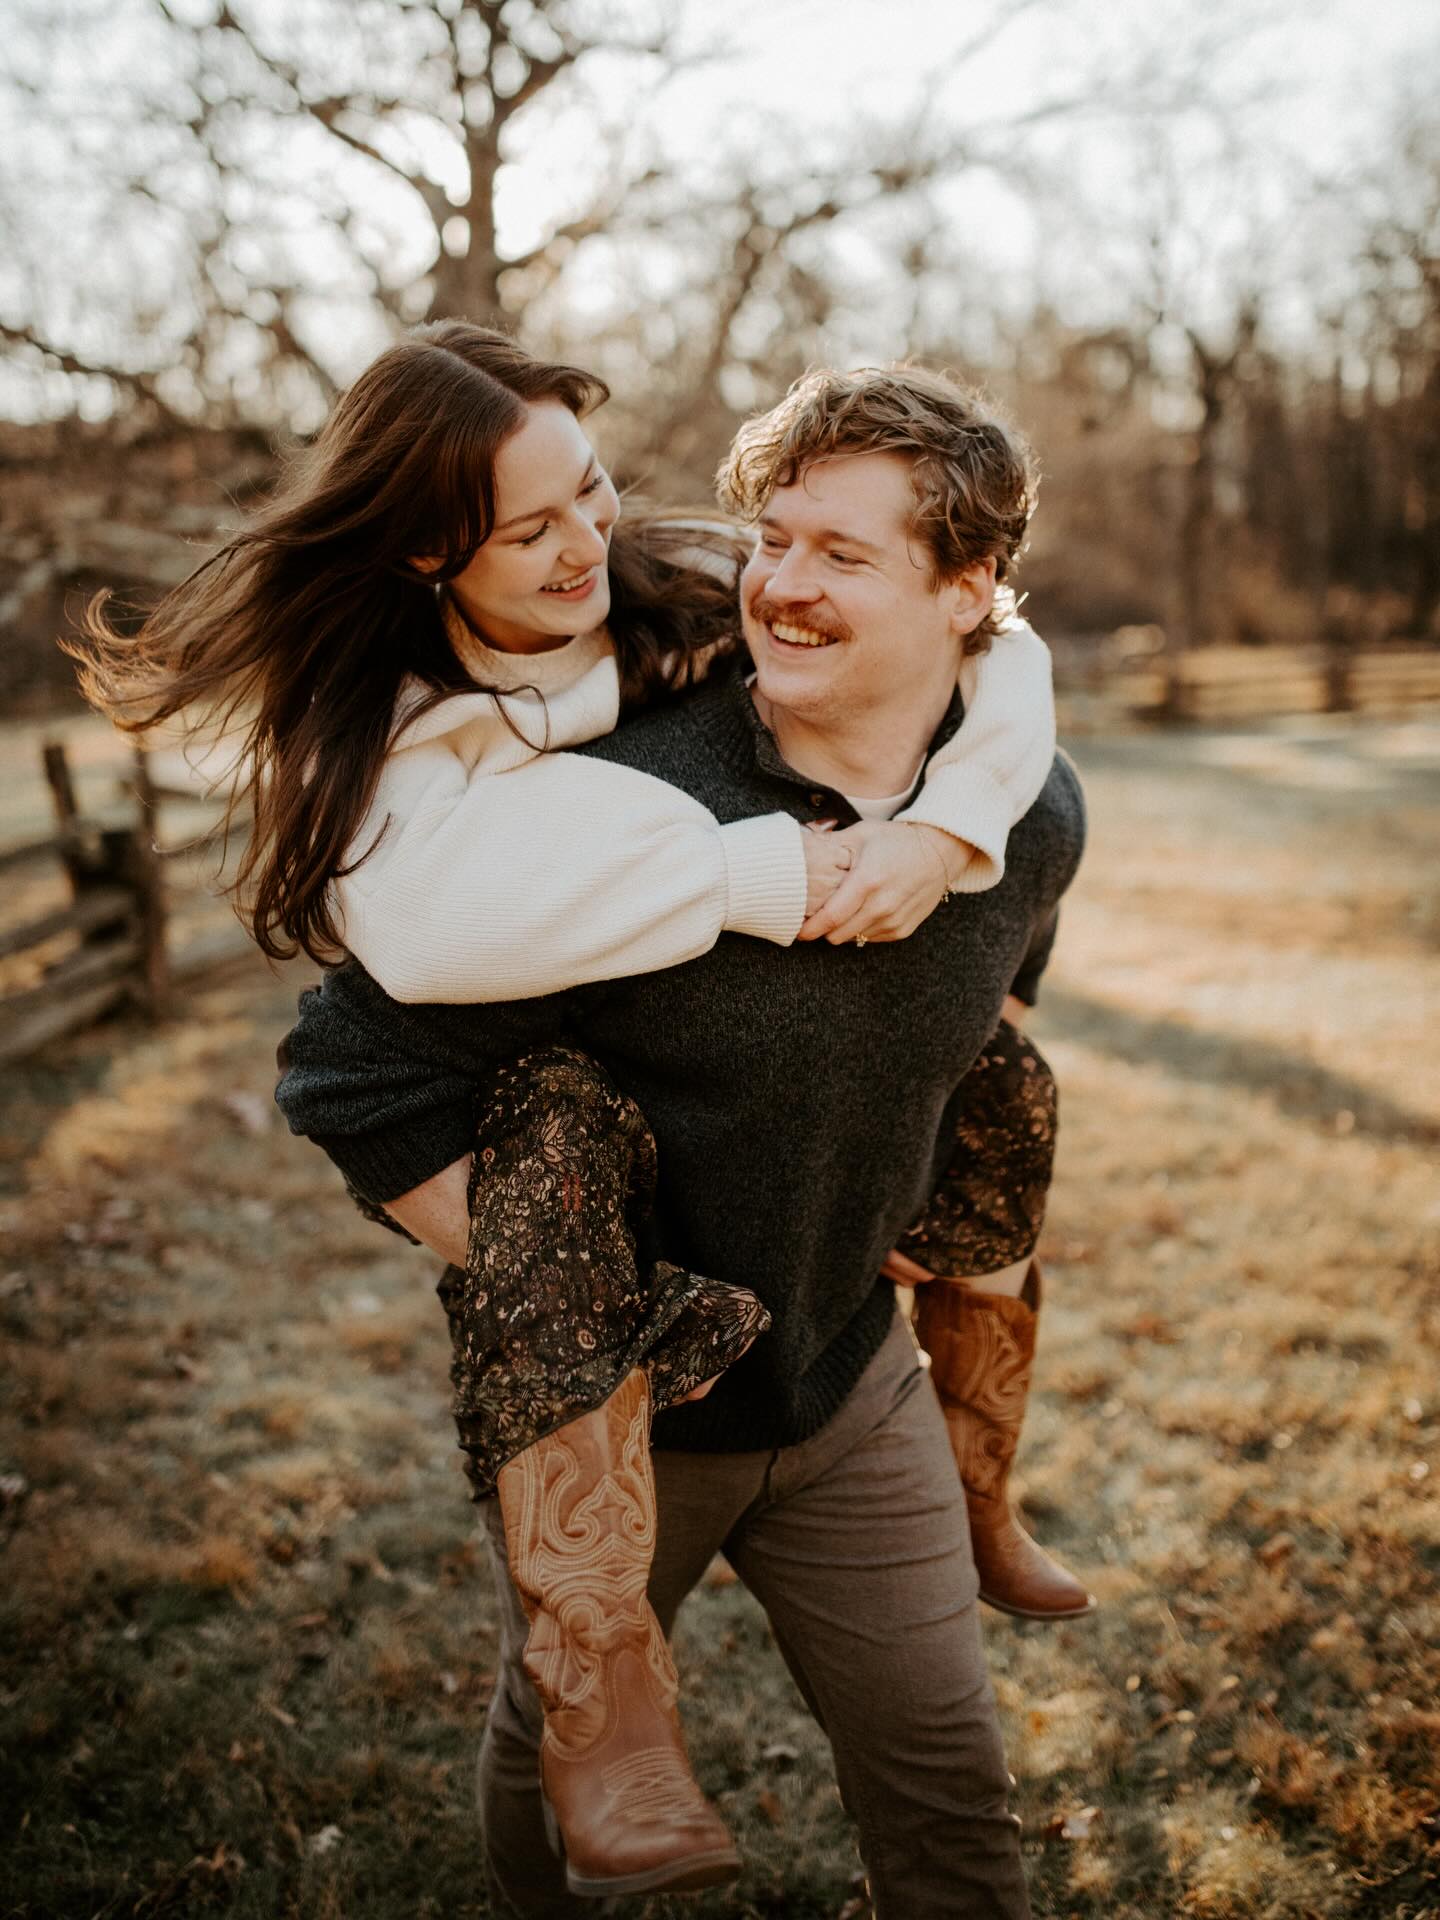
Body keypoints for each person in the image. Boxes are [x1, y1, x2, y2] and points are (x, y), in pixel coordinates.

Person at [69, 324, 1073, 1902]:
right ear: (432, 551)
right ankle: (600, 1713)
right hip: (628, 1418)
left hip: (847, 1382)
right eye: (776, 541)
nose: (591, 545)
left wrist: (948, 838)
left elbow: (994, 980)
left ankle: (980, 1479)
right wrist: (593, 1297)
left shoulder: (1025, 805)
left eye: (840, 552)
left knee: (954, 1800)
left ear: (964, 591)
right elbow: (353, 1062)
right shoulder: (568, 808)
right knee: (549, 1792)